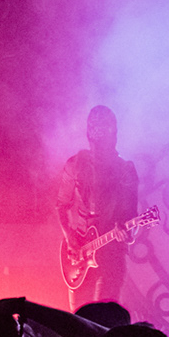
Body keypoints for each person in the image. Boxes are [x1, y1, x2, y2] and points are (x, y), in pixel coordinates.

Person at [56, 105, 142, 308]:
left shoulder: (125, 170)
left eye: (104, 134)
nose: (99, 143)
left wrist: (127, 232)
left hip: (111, 255)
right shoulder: (75, 165)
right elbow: (61, 205)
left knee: (103, 318)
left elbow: (132, 215)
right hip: (80, 253)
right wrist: (70, 239)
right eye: (95, 133)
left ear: (113, 135)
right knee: (78, 319)